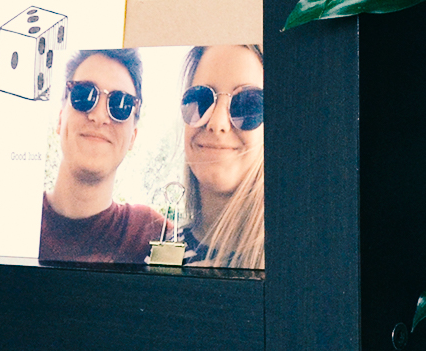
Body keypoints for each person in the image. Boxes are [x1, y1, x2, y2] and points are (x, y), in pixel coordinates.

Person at [40, 46, 170, 264]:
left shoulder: (155, 236)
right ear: (60, 119)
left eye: (121, 104)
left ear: (132, 137)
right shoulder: (12, 215)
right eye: (84, 94)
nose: (99, 116)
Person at [180, 43, 264, 270]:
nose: (217, 124)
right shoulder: (158, 252)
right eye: (201, 99)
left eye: (247, 104)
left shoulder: (304, 257)